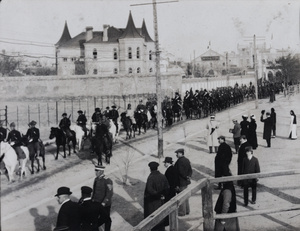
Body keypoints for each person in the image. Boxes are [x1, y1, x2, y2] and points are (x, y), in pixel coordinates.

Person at [144, 161, 169, 231]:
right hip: (161, 201)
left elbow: (149, 190)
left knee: (153, 218)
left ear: (150, 169)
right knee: (161, 216)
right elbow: (167, 188)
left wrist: (158, 195)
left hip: (153, 202)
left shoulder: (150, 178)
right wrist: (163, 195)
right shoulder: (162, 176)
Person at [92, 165, 113, 231]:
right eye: (95, 171)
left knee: (107, 219)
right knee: (95, 218)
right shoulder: (96, 179)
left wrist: (104, 202)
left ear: (101, 172)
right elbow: (94, 191)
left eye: (97, 171)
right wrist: (92, 200)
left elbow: (109, 193)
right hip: (96, 203)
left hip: (104, 204)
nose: (96, 173)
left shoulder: (107, 180)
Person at [174, 148, 192, 216]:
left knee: (181, 197)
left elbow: (180, 172)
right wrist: (188, 176)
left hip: (181, 182)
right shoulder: (187, 160)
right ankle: (187, 210)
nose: (176, 154)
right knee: (186, 197)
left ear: (181, 153)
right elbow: (190, 170)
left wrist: (185, 177)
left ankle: (182, 212)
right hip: (186, 182)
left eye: (177, 153)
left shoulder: (179, 161)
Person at [163, 157, 179, 226]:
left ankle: (167, 221)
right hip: (173, 190)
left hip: (169, 190)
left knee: (168, 205)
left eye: (165, 163)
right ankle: (171, 220)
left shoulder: (169, 170)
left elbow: (168, 181)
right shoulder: (174, 169)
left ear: (168, 163)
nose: (164, 164)